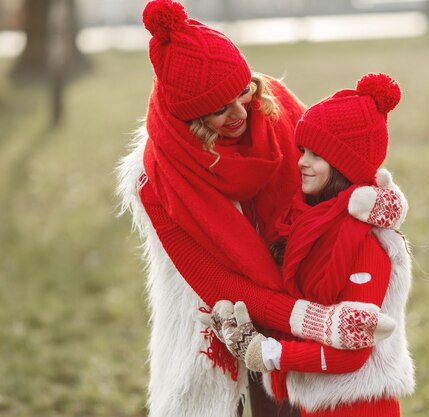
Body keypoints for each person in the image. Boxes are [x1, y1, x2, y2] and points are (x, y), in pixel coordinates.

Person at [115, 1, 408, 417]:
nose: (241, 113)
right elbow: (212, 278)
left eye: (244, 92)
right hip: (219, 315)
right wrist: (310, 321)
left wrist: (379, 201)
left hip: (302, 282)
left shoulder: (276, 108)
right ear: (190, 118)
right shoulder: (159, 178)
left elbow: (339, 169)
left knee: (286, 406)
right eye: (220, 109)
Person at [214, 73, 415, 417]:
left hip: (359, 406)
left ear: (344, 165)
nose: (302, 162)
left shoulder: (367, 244)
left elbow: (353, 352)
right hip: (319, 405)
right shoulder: (310, 227)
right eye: (302, 150)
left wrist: (273, 354)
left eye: (316, 156)